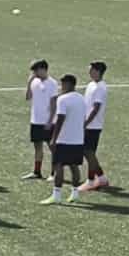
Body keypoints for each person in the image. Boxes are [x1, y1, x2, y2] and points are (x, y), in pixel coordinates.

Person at [41, 74, 88, 206]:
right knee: (74, 166)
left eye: (62, 84)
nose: (61, 87)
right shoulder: (82, 99)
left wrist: (54, 138)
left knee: (58, 166)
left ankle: (56, 195)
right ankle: (75, 193)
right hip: (78, 139)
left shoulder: (62, 99)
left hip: (64, 139)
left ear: (68, 84)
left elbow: (60, 119)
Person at [22, 60, 59, 181]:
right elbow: (28, 97)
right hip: (35, 120)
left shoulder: (52, 83)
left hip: (48, 121)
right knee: (37, 147)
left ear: (43, 69)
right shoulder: (34, 82)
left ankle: (54, 173)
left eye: (36, 70)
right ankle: (36, 172)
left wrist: (50, 120)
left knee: (52, 148)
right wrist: (29, 83)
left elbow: (54, 104)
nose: (34, 73)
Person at [81, 61, 111, 192]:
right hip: (87, 124)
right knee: (87, 152)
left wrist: (86, 123)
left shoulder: (100, 88)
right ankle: (101, 178)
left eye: (91, 70)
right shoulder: (91, 84)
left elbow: (96, 108)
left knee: (89, 153)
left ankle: (91, 181)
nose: (89, 72)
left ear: (98, 71)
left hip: (93, 126)